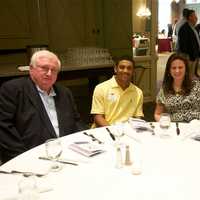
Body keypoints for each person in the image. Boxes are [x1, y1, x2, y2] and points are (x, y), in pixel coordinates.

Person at [0, 50, 86, 163]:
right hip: (29, 157)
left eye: (54, 70)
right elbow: (4, 128)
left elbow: (76, 121)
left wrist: (86, 143)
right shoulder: (13, 89)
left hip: (66, 154)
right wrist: (25, 158)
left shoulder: (65, 93)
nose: (49, 73)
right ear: (31, 69)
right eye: (44, 68)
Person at [90, 57, 144, 127]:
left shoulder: (138, 92)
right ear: (115, 69)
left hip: (127, 132)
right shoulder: (101, 88)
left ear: (133, 72)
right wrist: (113, 130)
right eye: (122, 67)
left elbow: (138, 117)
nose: (125, 71)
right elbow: (98, 117)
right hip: (105, 129)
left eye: (129, 68)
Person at [154, 53, 200, 122]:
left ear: (186, 69)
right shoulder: (165, 89)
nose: (177, 71)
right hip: (175, 127)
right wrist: (164, 123)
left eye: (180, 67)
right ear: (169, 70)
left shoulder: (197, 86)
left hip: (195, 126)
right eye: (174, 68)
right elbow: (157, 114)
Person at [178, 9, 200, 75]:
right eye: (195, 16)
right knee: (189, 75)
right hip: (189, 57)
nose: (196, 18)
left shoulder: (193, 28)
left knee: (193, 74)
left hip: (195, 55)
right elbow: (183, 45)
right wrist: (187, 56)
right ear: (190, 17)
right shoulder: (184, 28)